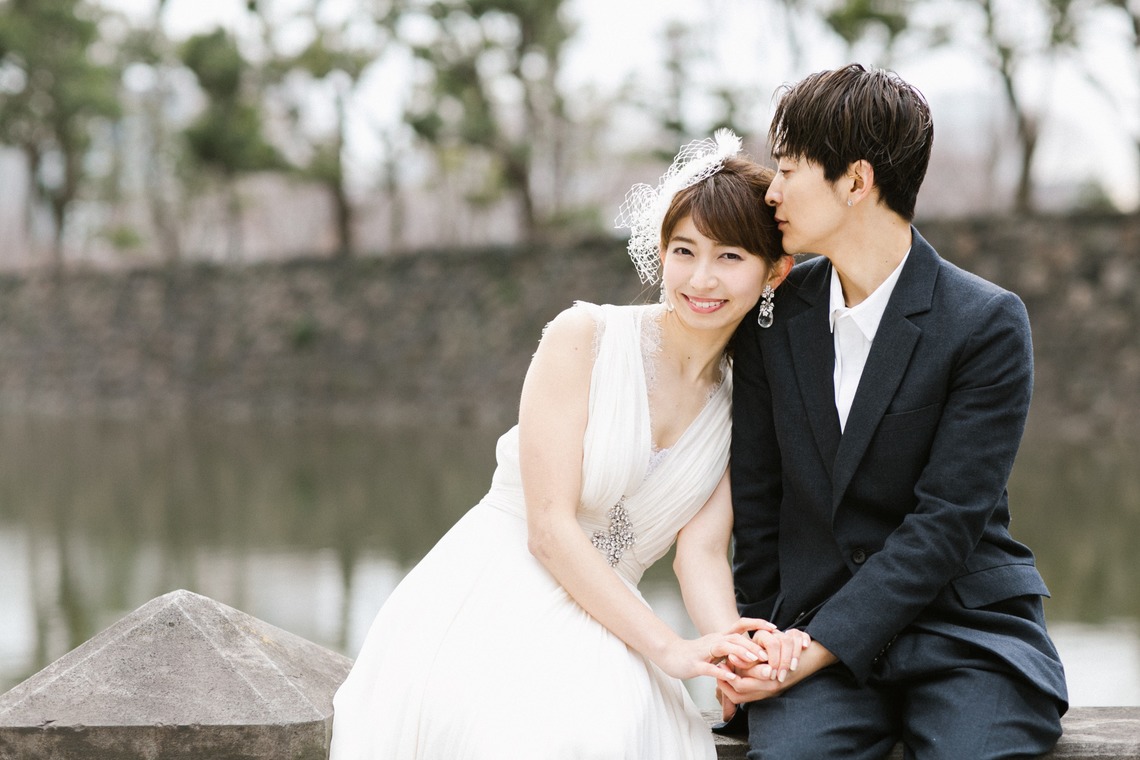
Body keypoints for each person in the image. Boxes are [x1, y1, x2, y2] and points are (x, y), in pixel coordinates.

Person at [329, 129, 802, 760]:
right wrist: (668, 647)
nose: (701, 278)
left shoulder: (748, 399)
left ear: (775, 272)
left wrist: (724, 650)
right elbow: (549, 528)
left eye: (731, 258)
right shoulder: (584, 337)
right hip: (500, 582)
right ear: (660, 252)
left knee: (617, 725)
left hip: (613, 611)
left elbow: (702, 554)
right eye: (684, 250)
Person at [722, 63, 1069, 759]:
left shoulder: (985, 322)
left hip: (964, 631)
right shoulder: (771, 315)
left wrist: (819, 646)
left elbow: (946, 521)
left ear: (855, 181)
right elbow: (758, 508)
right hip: (809, 633)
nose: (773, 191)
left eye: (788, 169)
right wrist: (756, 646)